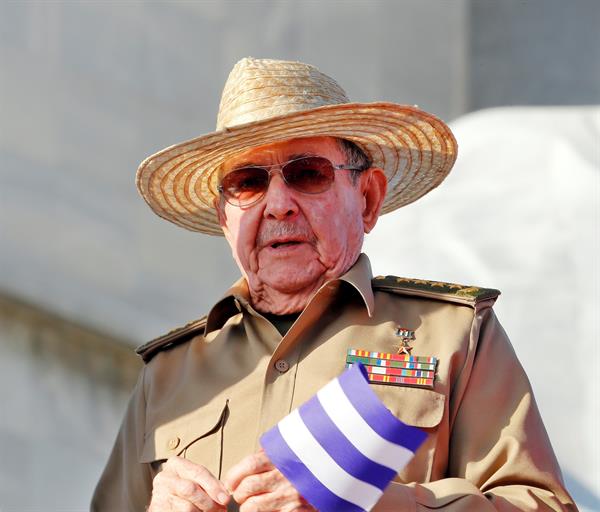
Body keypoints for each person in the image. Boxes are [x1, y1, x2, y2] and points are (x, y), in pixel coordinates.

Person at [91, 58, 576, 511]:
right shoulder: (168, 373)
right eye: (248, 181)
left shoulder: (453, 335)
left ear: (366, 199)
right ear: (225, 216)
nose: (278, 204)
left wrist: (352, 501)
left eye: (307, 174)